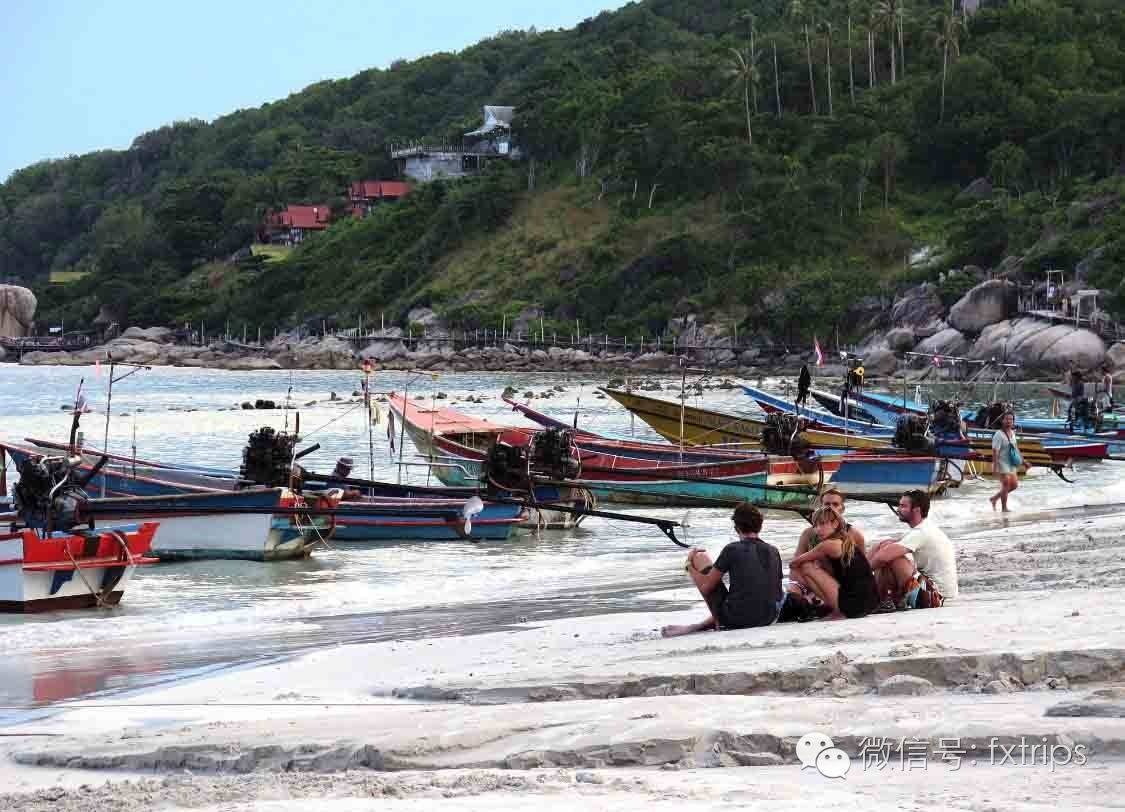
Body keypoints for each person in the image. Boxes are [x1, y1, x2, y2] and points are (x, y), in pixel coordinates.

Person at [661, 503, 784, 637]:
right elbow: (778, 594)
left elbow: (706, 587)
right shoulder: (774, 550)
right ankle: (699, 626)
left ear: (736, 528)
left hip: (736, 620)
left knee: (700, 557)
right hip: (769, 617)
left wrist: (689, 564)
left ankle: (718, 623)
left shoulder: (732, 549)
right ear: (760, 526)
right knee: (750, 596)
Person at [868, 489, 959, 609]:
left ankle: (878, 599)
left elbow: (883, 557)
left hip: (937, 598)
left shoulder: (921, 532)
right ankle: (881, 600)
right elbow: (886, 547)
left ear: (917, 510)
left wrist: (862, 574)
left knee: (891, 557)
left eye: (903, 506)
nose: (898, 509)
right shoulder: (924, 528)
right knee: (885, 546)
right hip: (931, 591)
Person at [789, 506, 879, 620]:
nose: (818, 529)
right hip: (870, 602)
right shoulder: (846, 540)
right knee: (814, 565)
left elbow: (794, 563)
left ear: (835, 524)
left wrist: (814, 562)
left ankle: (837, 610)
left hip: (854, 606)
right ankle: (835, 607)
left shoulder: (828, 545)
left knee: (806, 566)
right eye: (815, 526)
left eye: (822, 524)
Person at [793, 488, 866, 560]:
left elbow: (863, 564)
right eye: (827, 504)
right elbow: (796, 559)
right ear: (821, 507)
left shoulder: (855, 534)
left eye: (835, 504)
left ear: (842, 509)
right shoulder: (808, 533)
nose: (831, 507)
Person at [989, 411, 1020, 512]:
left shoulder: (1012, 433)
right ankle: (1004, 508)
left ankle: (994, 498)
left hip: (1011, 462)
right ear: (1002, 420)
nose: (1009, 421)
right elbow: (995, 451)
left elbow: (1016, 448)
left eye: (1011, 419)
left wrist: (1023, 461)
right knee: (1006, 485)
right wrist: (995, 467)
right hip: (1001, 462)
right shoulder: (998, 434)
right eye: (1006, 419)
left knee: (1014, 485)